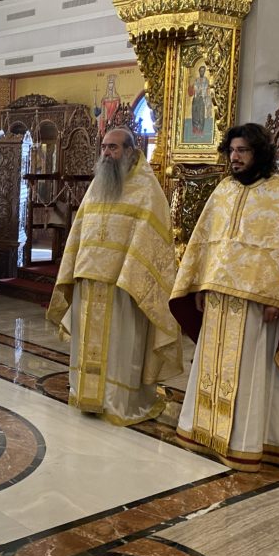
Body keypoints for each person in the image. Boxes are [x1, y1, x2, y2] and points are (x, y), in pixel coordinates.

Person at [170, 123, 279, 472]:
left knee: (251, 371)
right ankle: (202, 432)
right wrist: (200, 285)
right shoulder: (223, 192)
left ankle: (246, 441)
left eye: (242, 151)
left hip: (258, 304)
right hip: (218, 299)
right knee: (211, 368)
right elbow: (206, 244)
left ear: (259, 153)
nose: (235, 157)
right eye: (231, 151)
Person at [46, 129, 182, 425]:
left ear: (131, 151)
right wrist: (74, 268)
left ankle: (120, 402)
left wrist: (129, 274)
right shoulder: (99, 183)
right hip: (89, 278)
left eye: (114, 148)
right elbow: (80, 229)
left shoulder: (148, 189)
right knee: (88, 346)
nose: (107, 153)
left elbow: (153, 240)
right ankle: (86, 395)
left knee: (121, 347)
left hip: (124, 286)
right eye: (104, 147)